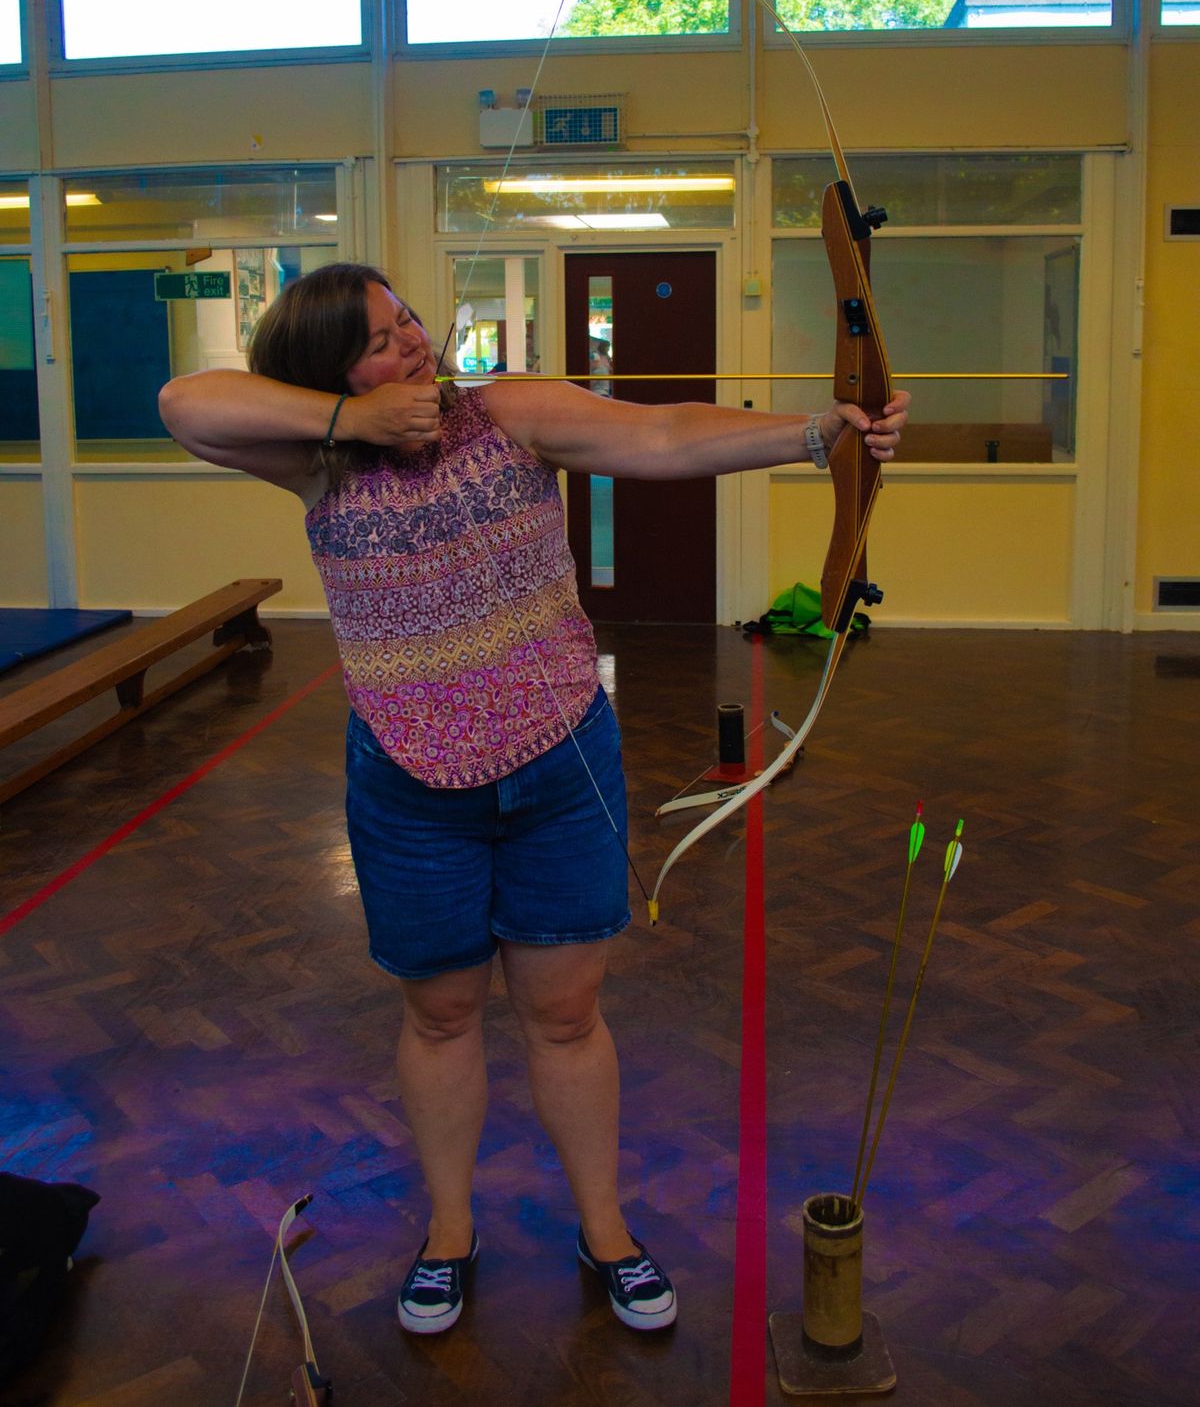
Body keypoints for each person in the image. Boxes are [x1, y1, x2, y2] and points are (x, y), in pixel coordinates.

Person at [158, 262, 909, 1339]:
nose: (412, 341)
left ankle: (604, 1228)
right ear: (330, 369)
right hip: (410, 786)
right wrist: (356, 416)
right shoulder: (317, 461)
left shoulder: (501, 414)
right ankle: (451, 1231)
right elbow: (184, 402)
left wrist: (817, 433)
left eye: (408, 317)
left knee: (563, 1014)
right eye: (378, 338)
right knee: (443, 1011)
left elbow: (657, 437)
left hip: (559, 767)